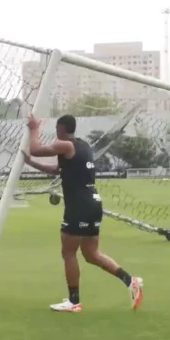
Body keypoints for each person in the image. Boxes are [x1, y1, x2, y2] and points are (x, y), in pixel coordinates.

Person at [22, 113, 144, 313]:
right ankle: (131, 281)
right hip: (93, 203)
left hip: (78, 206)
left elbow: (35, 149)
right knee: (91, 253)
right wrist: (31, 164)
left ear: (61, 129)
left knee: (68, 252)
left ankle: (74, 301)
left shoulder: (65, 145)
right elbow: (59, 171)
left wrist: (34, 128)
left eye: (56, 130)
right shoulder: (83, 146)